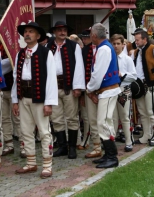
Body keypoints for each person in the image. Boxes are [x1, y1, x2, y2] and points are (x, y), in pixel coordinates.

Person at [12, 22, 57, 178]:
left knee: (44, 132)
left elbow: (51, 79)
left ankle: (47, 165)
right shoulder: (20, 54)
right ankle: (31, 163)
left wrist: (49, 103)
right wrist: (15, 100)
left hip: (40, 98)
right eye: (25, 32)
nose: (27, 34)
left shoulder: (46, 53)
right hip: (23, 96)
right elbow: (15, 78)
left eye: (31, 32)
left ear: (38, 36)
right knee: (25, 131)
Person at [46, 21, 85, 159]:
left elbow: (79, 67)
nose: (62, 32)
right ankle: (62, 146)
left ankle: (72, 147)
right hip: (53, 87)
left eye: (64, 30)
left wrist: (77, 87)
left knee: (72, 118)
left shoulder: (73, 46)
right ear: (55, 32)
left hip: (69, 86)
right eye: (59, 30)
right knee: (56, 118)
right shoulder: (48, 46)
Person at [86, 23, 121, 169]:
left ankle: (112, 157)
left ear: (94, 35)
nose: (90, 37)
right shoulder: (105, 47)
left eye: (90, 35)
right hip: (107, 90)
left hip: (107, 90)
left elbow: (97, 74)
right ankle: (108, 154)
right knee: (106, 122)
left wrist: (89, 89)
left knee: (103, 123)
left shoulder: (103, 49)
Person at [111, 34, 137, 152]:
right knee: (112, 117)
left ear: (123, 45)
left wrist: (123, 75)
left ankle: (128, 141)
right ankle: (112, 142)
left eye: (118, 44)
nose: (116, 46)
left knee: (125, 116)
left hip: (123, 90)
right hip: (111, 90)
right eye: (114, 44)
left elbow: (134, 76)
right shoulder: (110, 58)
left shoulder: (127, 59)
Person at [80, 28, 103, 159]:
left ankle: (107, 143)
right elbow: (82, 71)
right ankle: (96, 146)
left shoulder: (104, 49)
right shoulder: (85, 50)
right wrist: (87, 91)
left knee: (105, 119)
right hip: (89, 89)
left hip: (104, 89)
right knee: (92, 118)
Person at [0, 42, 24, 158]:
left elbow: (7, 65)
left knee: (18, 118)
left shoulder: (14, 48)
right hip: (1, 89)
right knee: (4, 118)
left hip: (13, 88)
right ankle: (8, 143)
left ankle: (23, 144)